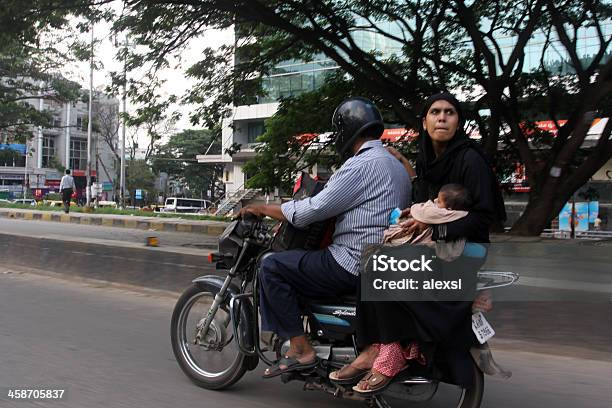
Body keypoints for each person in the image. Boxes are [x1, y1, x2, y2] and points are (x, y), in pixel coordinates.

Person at [330, 92, 506, 394]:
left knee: (377, 264)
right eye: (435, 112)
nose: (442, 117)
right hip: (441, 244)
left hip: (463, 250)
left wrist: (433, 227)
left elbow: (485, 217)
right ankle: (381, 346)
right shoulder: (431, 160)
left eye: (449, 112)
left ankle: (388, 353)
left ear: (458, 121)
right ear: (424, 123)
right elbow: (428, 199)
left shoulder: (469, 159)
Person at [237, 97, 411, 378]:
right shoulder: (394, 164)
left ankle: (300, 349)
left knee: (271, 265)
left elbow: (312, 210)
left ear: (347, 130)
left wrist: (262, 208)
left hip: (352, 261)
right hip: (381, 259)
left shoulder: (361, 165)